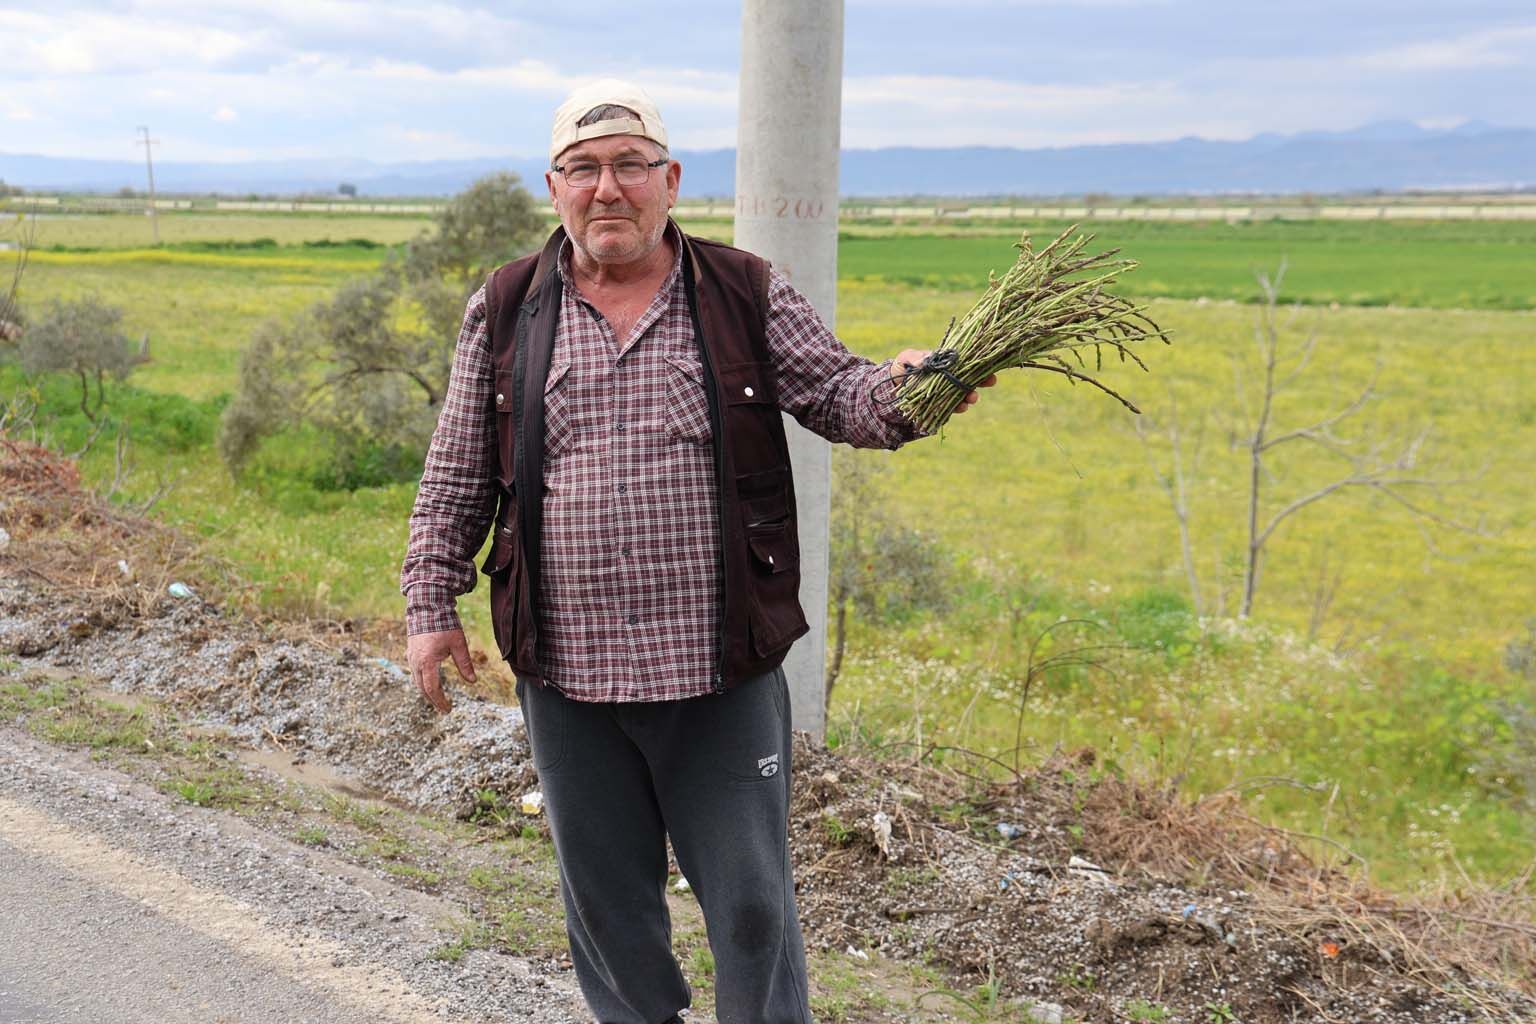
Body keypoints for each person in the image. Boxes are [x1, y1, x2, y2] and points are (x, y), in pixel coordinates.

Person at [401, 79, 991, 1024]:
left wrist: (912, 388)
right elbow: (456, 474)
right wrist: (431, 609)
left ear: (670, 180)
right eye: (584, 169)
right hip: (569, 675)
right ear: (552, 187)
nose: (608, 189)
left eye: (630, 166)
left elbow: (840, 394)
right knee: (610, 912)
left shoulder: (742, 291)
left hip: (718, 669)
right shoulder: (508, 307)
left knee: (754, 909)